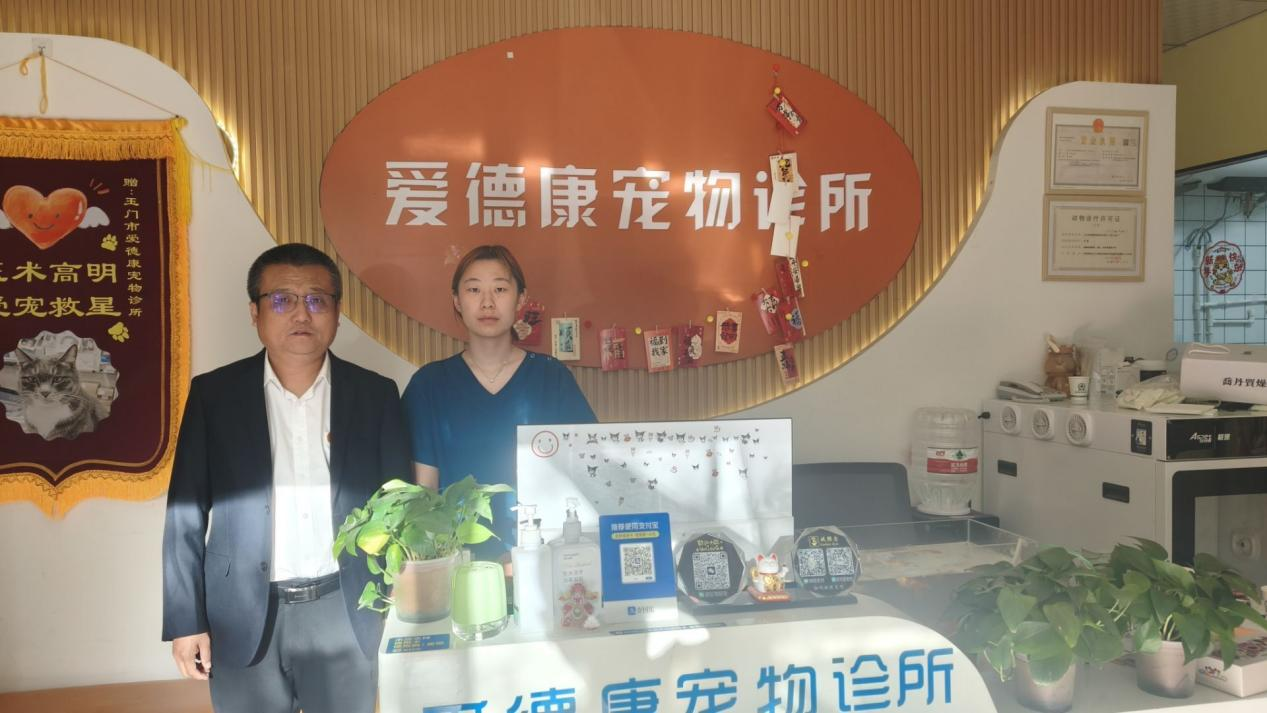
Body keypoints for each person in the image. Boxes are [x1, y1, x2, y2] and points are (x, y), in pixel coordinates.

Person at [162, 243, 411, 713]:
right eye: (282, 300)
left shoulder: (376, 395)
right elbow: (184, 514)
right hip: (242, 613)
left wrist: (403, 594)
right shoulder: (214, 395)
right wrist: (185, 619)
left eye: (316, 299)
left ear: (337, 312)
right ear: (254, 313)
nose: (301, 313)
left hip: (346, 608)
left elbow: (398, 506)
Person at [402, 245, 595, 561]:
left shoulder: (552, 377)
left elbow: (585, 471)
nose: (487, 302)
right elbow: (424, 490)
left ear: (520, 299)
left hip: (541, 555)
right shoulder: (429, 384)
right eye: (474, 289)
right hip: (457, 561)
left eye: (500, 289)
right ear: (457, 300)